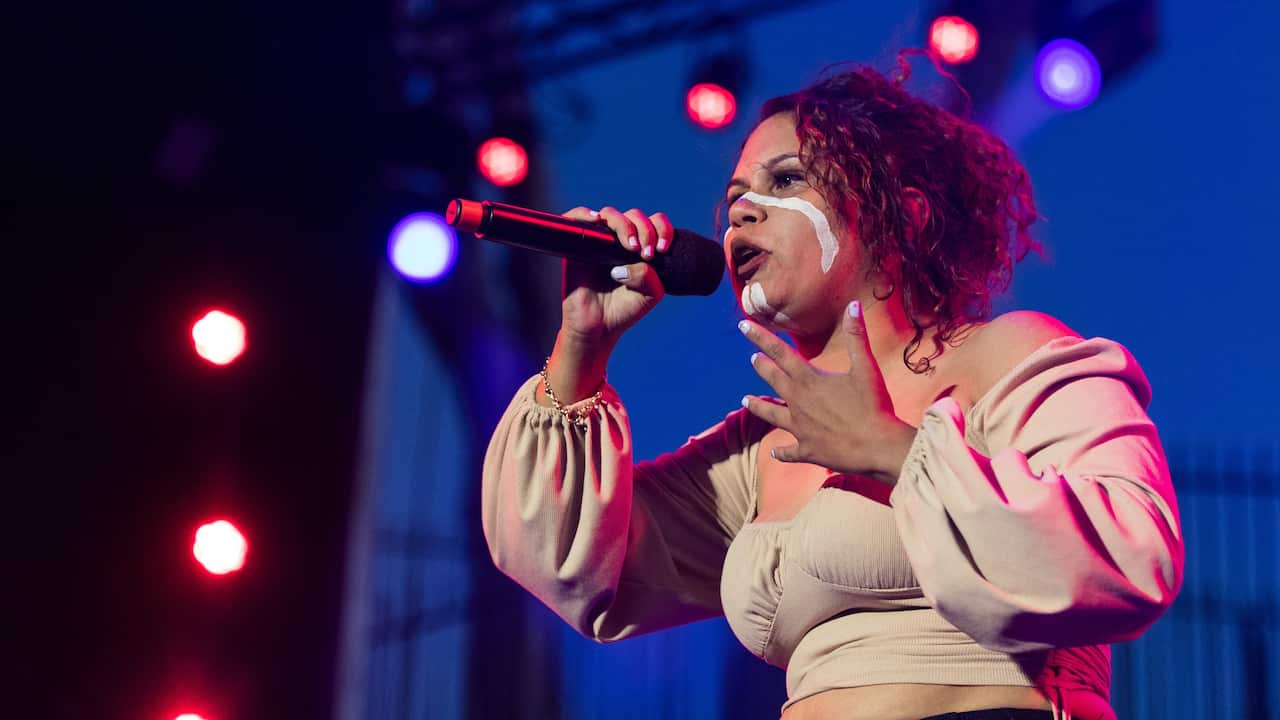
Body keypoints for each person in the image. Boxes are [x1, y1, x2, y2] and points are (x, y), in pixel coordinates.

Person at [480, 61, 1183, 720]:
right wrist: (583, 346)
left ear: (900, 214)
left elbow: (1132, 556)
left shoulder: (1007, 354)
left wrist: (895, 451)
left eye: (785, 182)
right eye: (734, 200)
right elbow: (577, 569)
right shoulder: (763, 447)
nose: (742, 215)